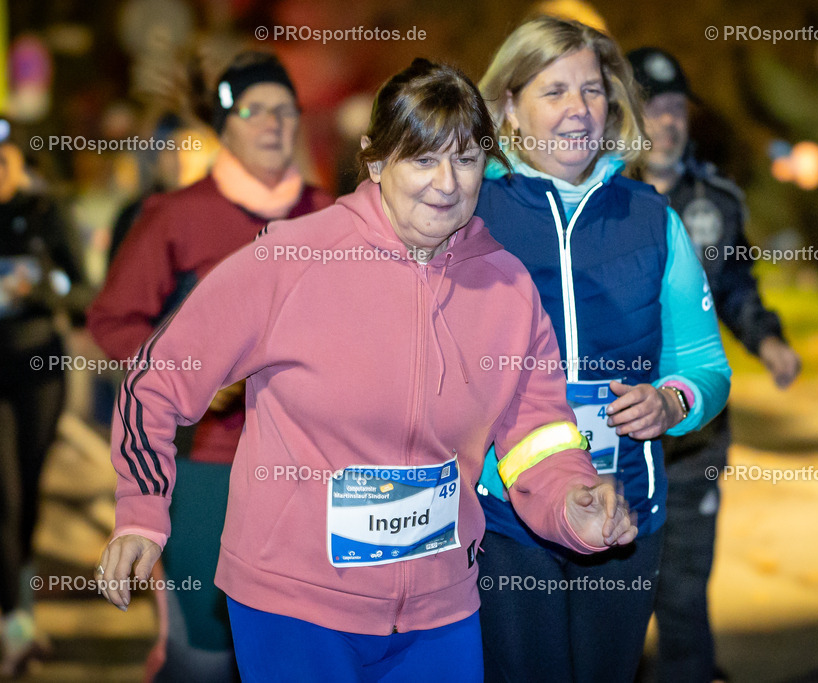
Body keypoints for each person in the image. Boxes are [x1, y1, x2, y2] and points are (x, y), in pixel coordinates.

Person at [95, 57, 636, 682]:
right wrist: (141, 512)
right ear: (376, 162)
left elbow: (537, 431)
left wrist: (573, 498)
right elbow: (154, 381)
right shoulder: (292, 259)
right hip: (295, 605)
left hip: (440, 608)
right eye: (421, 158)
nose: (445, 183)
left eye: (464, 159)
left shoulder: (507, 286)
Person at [473, 17, 732, 683]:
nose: (578, 110)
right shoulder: (471, 212)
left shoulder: (652, 216)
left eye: (591, 90)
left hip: (625, 513)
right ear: (509, 106)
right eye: (553, 91)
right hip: (503, 514)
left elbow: (705, 363)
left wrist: (673, 399)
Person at [87, 52, 333, 681]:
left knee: (298, 638)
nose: (274, 123)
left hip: (314, 467)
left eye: (286, 110)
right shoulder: (177, 216)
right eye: (255, 110)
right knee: (206, 643)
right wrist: (199, 372)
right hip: (208, 465)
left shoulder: (335, 217)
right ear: (225, 125)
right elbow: (114, 321)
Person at [627, 47, 801, 683]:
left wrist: (770, 341)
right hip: (615, 435)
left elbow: (736, 289)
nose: (668, 121)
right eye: (653, 107)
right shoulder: (599, 201)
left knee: (684, 589)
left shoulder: (715, 200)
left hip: (694, 437)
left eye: (676, 108)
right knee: (617, 595)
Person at [0, 140, 89, 677]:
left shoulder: (45, 212)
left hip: (38, 373)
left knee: (29, 495)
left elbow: (82, 292)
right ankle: (16, 626)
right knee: (2, 498)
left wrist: (40, 287)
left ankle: (21, 607)